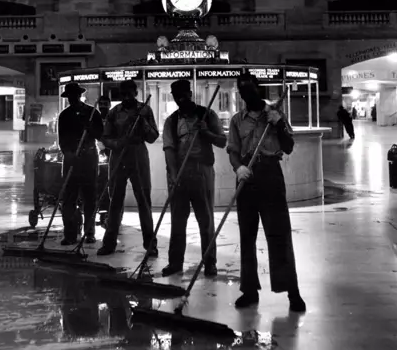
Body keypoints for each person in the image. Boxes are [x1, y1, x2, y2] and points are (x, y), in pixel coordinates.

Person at [227, 73, 306, 312]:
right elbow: (232, 150)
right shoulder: (237, 120)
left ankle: (292, 292)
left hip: (270, 174)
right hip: (247, 178)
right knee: (247, 237)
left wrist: (279, 123)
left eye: (249, 89)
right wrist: (238, 167)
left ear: (258, 88)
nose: (245, 94)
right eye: (242, 91)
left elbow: (289, 146)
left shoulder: (276, 113)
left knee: (279, 235)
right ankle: (249, 291)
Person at [161, 79, 226, 277]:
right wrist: (173, 176)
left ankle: (210, 263)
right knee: (178, 220)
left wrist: (205, 132)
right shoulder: (171, 121)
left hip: (202, 171)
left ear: (190, 93)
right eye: (177, 96)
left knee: (205, 220)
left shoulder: (207, 115)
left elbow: (222, 141)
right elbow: (169, 150)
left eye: (184, 94)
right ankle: (175, 263)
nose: (181, 99)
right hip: (180, 172)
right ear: (174, 98)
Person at [97, 80, 159, 257]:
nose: (127, 97)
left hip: (138, 155)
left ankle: (150, 244)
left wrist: (142, 122)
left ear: (136, 93)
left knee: (144, 201)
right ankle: (109, 243)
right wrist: (118, 143)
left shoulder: (145, 110)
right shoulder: (114, 113)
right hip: (118, 156)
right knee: (115, 201)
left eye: (130, 93)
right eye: (123, 94)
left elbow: (153, 137)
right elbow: (105, 138)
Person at [58, 81, 103, 246]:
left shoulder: (92, 113)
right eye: (69, 96)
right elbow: (62, 140)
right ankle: (70, 234)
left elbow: (100, 135)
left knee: (90, 197)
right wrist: (69, 154)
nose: (72, 99)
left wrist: (91, 128)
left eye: (74, 96)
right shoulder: (65, 115)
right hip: (71, 159)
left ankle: (89, 233)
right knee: (69, 198)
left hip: (89, 158)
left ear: (79, 95)